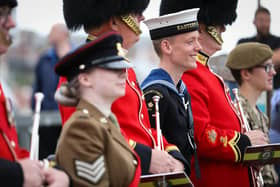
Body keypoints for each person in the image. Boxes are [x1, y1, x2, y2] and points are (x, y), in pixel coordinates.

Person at [55, 0, 188, 175]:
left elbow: (144, 129)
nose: (142, 17)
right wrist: (147, 158)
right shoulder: (78, 71)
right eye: (135, 13)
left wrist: (173, 155)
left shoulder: (124, 68)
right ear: (115, 22)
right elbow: (89, 135)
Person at [160, 0, 269, 187]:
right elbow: (199, 137)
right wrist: (243, 142)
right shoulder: (191, 74)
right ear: (200, 28)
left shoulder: (206, 73)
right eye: (219, 24)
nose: (223, 30)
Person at [55, 32, 141, 187]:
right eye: (112, 68)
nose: (123, 73)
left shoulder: (105, 121)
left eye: (122, 67)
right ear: (85, 79)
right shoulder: (82, 128)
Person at [0, 0, 70, 186]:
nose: (12, 23)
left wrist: (41, 171)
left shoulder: (71, 56)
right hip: (46, 119)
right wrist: (17, 173)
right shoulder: (43, 60)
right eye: (3, 13)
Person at [141, 9, 201, 176]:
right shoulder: (155, 93)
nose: (199, 47)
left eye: (197, 40)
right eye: (190, 42)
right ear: (166, 46)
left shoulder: (178, 89)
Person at [226, 42, 278, 187]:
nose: (273, 72)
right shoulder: (237, 110)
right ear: (246, 73)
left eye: (272, 67)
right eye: (267, 67)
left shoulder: (261, 114)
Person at [31, 23, 72, 111]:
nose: (49, 35)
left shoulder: (78, 57)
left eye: (53, 32)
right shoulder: (44, 60)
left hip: (70, 113)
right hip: (47, 114)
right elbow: (37, 88)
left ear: (63, 34)